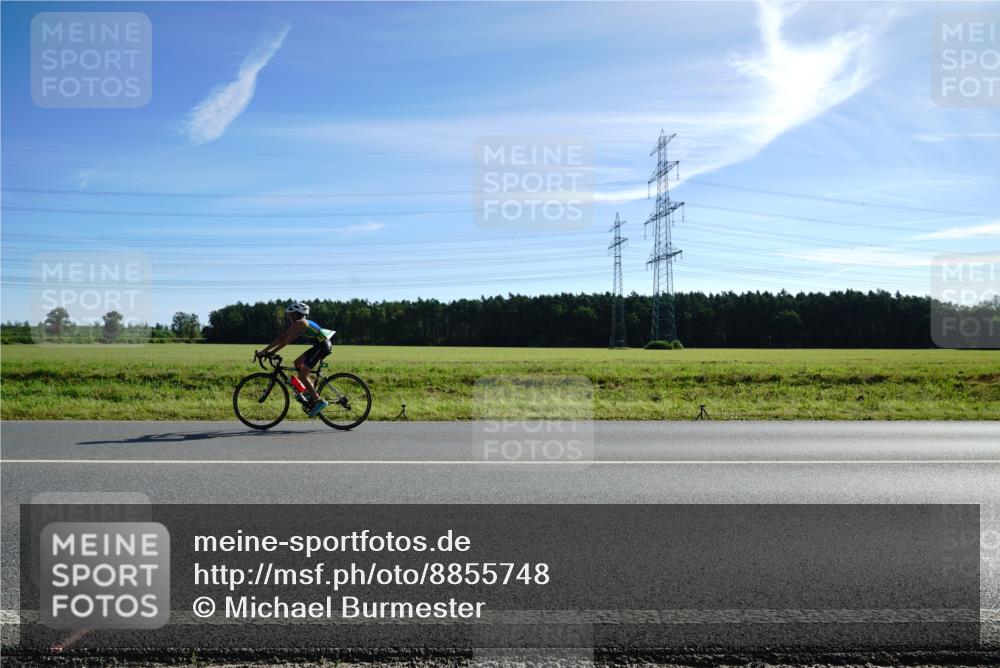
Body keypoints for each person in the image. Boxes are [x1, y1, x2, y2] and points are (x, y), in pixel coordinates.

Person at [256, 302, 335, 417]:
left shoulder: (300, 323)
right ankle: (309, 389)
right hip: (319, 346)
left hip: (322, 347)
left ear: (297, 314)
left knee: (302, 376)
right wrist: (270, 352)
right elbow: (285, 341)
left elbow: (281, 338)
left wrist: (266, 352)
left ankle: (318, 401)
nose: (289, 317)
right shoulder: (302, 325)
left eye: (290, 315)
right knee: (297, 363)